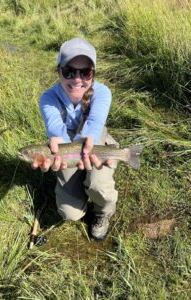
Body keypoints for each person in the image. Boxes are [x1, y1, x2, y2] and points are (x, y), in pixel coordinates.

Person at [32, 37, 118, 240]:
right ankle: (79, 182)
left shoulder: (102, 93)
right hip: (65, 146)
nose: (77, 79)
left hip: (93, 138)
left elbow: (93, 126)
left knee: (98, 185)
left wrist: (86, 142)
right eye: (69, 71)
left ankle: (102, 213)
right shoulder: (48, 98)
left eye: (85, 72)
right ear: (59, 71)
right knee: (70, 214)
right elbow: (56, 130)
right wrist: (60, 147)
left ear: (93, 74)